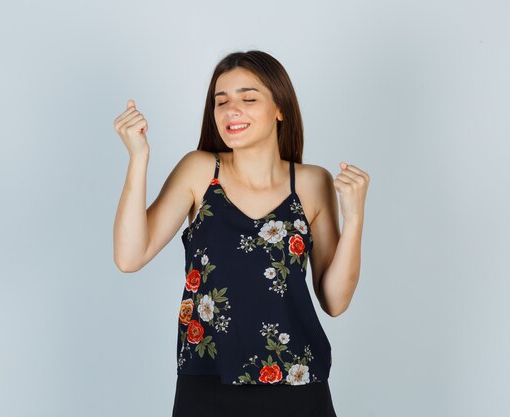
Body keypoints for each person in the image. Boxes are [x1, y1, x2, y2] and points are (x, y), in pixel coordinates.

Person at [113, 50, 370, 417]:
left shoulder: (312, 182)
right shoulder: (199, 171)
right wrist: (138, 158)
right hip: (208, 383)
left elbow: (335, 300)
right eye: (222, 101)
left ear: (280, 107)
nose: (232, 110)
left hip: (299, 386)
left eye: (248, 98)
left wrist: (355, 219)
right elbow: (128, 256)